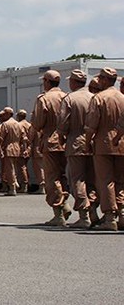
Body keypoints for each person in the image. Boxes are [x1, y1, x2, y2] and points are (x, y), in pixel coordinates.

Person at [85, 67, 124, 231]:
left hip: (103, 143)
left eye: (101, 78)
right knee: (121, 180)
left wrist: (87, 141)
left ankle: (109, 218)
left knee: (106, 180)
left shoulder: (99, 98)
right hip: (121, 143)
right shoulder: (122, 97)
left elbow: (92, 124)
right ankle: (122, 214)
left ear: (106, 80)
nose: (99, 80)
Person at [57, 69, 96, 228]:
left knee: (77, 179)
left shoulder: (70, 99)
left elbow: (62, 122)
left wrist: (61, 136)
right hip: (94, 142)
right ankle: (93, 210)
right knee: (93, 179)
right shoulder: (94, 97)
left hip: (76, 141)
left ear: (73, 82)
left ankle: (84, 215)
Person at [31, 70, 69, 226]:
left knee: (52, 177)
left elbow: (38, 123)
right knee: (64, 176)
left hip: (51, 140)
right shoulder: (67, 97)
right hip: (66, 141)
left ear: (47, 82)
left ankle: (58, 212)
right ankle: (65, 203)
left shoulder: (44, 99)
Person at [0, 107, 26, 197]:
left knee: (9, 169)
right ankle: (15, 182)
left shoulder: (5, 125)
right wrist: (24, 148)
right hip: (17, 148)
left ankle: (12, 187)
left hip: (8, 148)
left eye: (4, 114)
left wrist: (0, 149)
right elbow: (23, 138)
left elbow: (1, 138)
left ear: (8, 114)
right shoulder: (18, 124)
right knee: (15, 168)